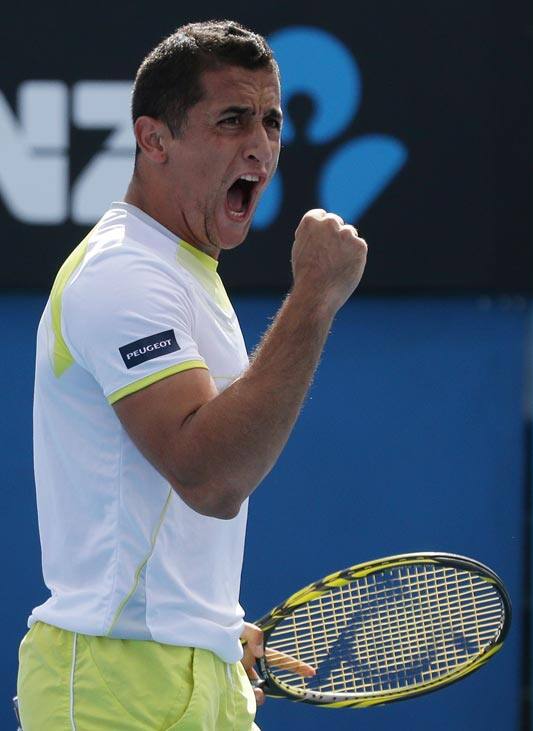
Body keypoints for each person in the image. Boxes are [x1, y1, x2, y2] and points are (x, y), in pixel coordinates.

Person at [16, 19, 367, 731]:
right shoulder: (124, 272)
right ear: (154, 140)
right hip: (113, 684)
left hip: (195, 677)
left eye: (269, 121)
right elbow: (209, 476)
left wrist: (204, 631)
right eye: (231, 119)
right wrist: (314, 300)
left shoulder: (186, 271)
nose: (260, 144)